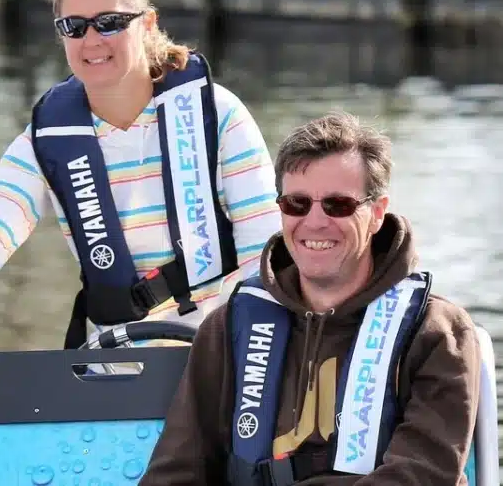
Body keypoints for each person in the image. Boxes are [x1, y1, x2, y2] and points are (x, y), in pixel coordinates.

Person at [0, 0, 282, 351]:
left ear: (147, 24)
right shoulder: (46, 140)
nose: (93, 40)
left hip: (219, 357)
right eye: (75, 27)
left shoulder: (216, 115)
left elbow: (265, 247)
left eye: (111, 23)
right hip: (114, 366)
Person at [139, 111, 482, 486]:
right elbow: (175, 472)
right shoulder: (228, 325)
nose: (315, 222)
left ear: (377, 213)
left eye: (338, 205)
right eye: (297, 204)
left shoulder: (436, 331)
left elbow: (422, 475)